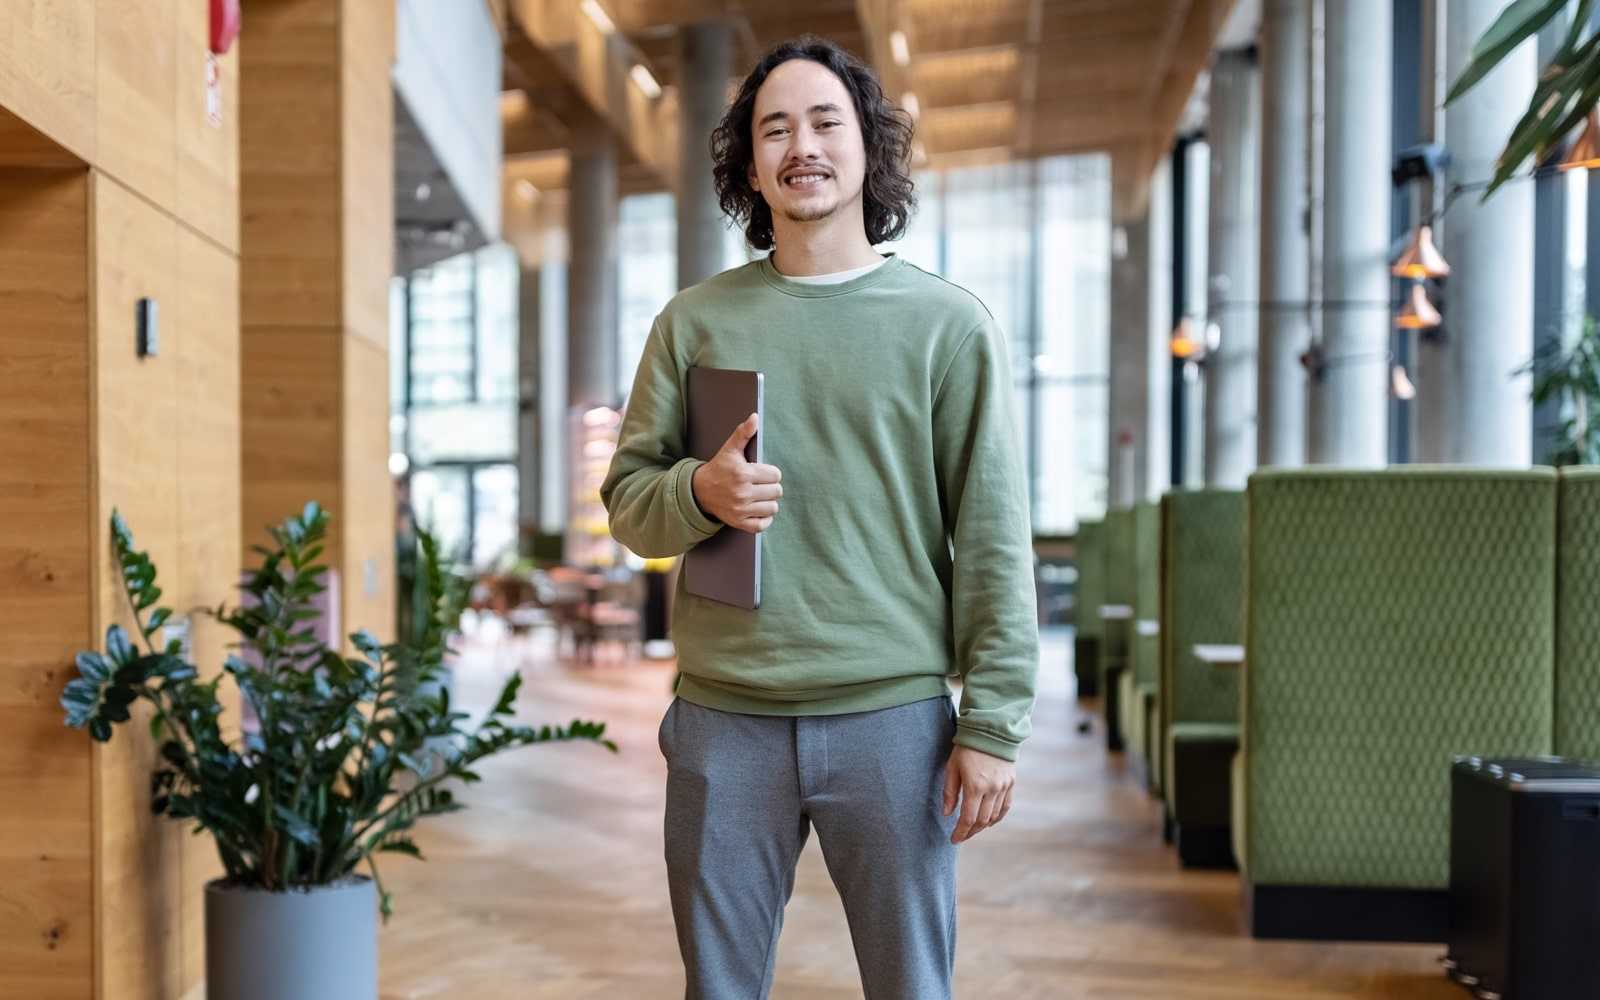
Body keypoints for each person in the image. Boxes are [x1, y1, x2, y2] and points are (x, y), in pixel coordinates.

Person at [600, 34, 1038, 1000]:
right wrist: (697, 494)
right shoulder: (694, 322)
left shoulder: (947, 325)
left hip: (895, 721)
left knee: (910, 986)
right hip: (724, 719)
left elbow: (994, 537)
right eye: (775, 128)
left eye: (826, 121)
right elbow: (630, 503)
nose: (803, 145)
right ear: (749, 164)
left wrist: (994, 724)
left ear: (868, 148)